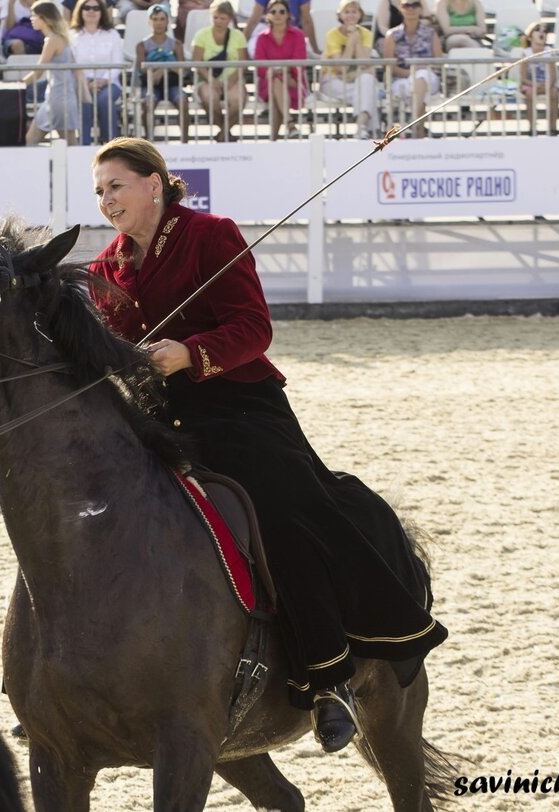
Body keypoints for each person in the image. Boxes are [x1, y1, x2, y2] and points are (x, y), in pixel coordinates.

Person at [88, 136, 448, 755]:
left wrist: (188, 354)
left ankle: (329, 677)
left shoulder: (211, 235)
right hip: (155, 417)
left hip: (238, 405)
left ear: (154, 183)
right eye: (98, 192)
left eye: (115, 186)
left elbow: (253, 329)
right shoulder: (102, 270)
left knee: (277, 514)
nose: (106, 201)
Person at [22, 0, 86, 144]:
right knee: (69, 144)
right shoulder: (61, 38)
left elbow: (38, 72)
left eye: (34, 16)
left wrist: (17, 85)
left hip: (57, 99)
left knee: (31, 141)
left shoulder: (52, 40)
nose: (32, 19)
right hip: (59, 97)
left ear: (45, 18)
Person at [320, 0, 378, 139]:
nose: (350, 15)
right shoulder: (332, 35)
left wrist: (356, 39)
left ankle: (361, 126)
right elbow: (341, 68)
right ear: (340, 15)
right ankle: (370, 131)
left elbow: (364, 63)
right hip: (334, 80)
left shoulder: (366, 33)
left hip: (356, 78)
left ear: (360, 15)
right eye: (347, 12)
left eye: (354, 12)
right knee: (370, 92)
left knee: (367, 81)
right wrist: (351, 42)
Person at [383, 0, 440, 138]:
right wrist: (411, 73)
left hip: (428, 77)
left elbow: (439, 62)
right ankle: (417, 130)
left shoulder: (431, 33)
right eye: (406, 5)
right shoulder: (392, 35)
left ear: (421, 9)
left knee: (422, 76)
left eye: (415, 4)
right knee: (418, 88)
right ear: (400, 9)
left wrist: (419, 71)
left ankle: (412, 121)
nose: (411, 8)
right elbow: (389, 67)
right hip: (402, 79)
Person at [191, 0, 247, 142]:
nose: (218, 21)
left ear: (229, 19)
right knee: (210, 98)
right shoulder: (201, 35)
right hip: (206, 79)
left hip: (233, 79)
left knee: (238, 99)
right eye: (215, 17)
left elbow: (243, 64)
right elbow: (197, 63)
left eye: (223, 18)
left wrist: (231, 81)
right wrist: (211, 80)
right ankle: (226, 134)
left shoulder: (238, 36)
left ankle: (222, 134)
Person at [254, 0, 308, 140]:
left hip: (293, 82)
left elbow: (298, 61)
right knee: (276, 84)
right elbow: (260, 66)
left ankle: (274, 140)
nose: (277, 15)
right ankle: (289, 124)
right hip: (269, 81)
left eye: (282, 11)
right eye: (273, 11)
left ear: (288, 15)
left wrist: (276, 71)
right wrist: (282, 72)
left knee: (276, 85)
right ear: (267, 15)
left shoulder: (298, 35)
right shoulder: (261, 37)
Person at [70, 0, 122, 144]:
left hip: (109, 83)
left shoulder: (112, 34)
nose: (91, 11)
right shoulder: (72, 35)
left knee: (104, 100)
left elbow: (118, 63)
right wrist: (86, 83)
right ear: (80, 11)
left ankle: (112, 147)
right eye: (87, 8)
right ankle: (83, 147)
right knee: (85, 103)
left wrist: (102, 81)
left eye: (96, 8)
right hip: (81, 84)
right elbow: (72, 64)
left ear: (102, 11)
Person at [135, 3, 188, 142]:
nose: (159, 23)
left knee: (183, 100)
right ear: (149, 22)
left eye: (162, 19)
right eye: (155, 19)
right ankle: (148, 141)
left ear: (167, 22)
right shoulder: (142, 45)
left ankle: (185, 141)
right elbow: (141, 68)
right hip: (152, 85)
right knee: (148, 102)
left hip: (172, 84)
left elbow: (183, 70)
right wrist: (156, 71)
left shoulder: (176, 44)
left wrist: (164, 69)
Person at [518, 21, 558, 136]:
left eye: (544, 31)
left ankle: (552, 127)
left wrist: (547, 85)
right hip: (531, 84)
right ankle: (532, 127)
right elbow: (523, 77)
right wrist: (534, 84)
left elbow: (553, 74)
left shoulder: (549, 52)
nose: (542, 33)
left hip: (547, 84)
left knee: (554, 93)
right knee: (529, 95)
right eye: (538, 30)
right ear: (530, 37)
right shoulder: (526, 53)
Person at [242, 0, 318, 56]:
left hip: (291, 30)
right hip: (264, 28)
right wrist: (241, 46)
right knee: (255, 50)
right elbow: (254, 20)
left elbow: (306, 21)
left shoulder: (297, 35)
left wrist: (315, 49)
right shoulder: (262, 37)